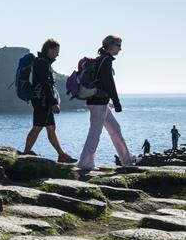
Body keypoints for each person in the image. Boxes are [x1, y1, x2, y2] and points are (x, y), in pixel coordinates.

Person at [78, 35, 136, 171]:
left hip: (100, 102)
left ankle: (126, 159)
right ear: (110, 45)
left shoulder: (101, 59)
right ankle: (85, 162)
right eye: (118, 45)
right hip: (98, 103)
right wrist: (117, 102)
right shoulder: (106, 61)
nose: (120, 49)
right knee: (95, 132)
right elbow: (109, 83)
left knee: (115, 129)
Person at [23, 38, 77, 163]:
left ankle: (61, 155)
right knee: (37, 127)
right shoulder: (42, 63)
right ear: (49, 50)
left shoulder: (42, 62)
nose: (58, 54)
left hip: (42, 100)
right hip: (42, 101)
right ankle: (25, 153)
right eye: (57, 51)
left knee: (51, 128)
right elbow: (45, 84)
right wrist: (53, 103)